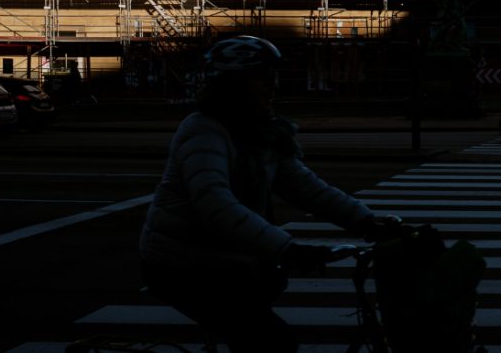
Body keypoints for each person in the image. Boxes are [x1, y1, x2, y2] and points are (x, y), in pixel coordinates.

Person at [140, 35, 397, 352]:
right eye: (262, 78)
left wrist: (366, 221)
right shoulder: (204, 130)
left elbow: (303, 186)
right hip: (184, 265)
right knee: (274, 344)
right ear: (234, 85)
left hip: (230, 259)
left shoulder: (260, 132)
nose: (272, 87)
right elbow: (215, 204)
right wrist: (286, 249)